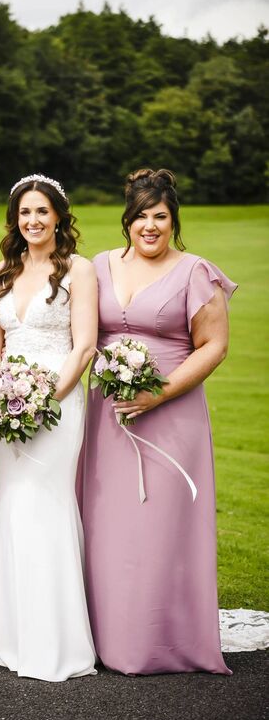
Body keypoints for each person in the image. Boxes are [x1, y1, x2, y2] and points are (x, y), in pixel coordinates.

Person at [79, 168, 236, 675]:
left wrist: (159, 393)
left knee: (163, 524)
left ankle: (163, 639)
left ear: (174, 221)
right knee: (111, 525)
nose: (151, 226)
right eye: (142, 216)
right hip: (108, 416)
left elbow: (215, 345)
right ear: (127, 220)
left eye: (161, 217)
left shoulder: (194, 272)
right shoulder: (97, 268)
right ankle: (107, 636)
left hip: (173, 414)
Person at [0, 174, 98, 681]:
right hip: (6, 407)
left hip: (57, 405)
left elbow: (84, 346)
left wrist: (45, 400)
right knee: (11, 503)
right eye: (25, 212)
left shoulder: (79, 271)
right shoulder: (3, 268)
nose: (33, 220)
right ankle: (6, 638)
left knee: (45, 504)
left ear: (59, 216)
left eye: (43, 211)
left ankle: (56, 643)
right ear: (15, 219)